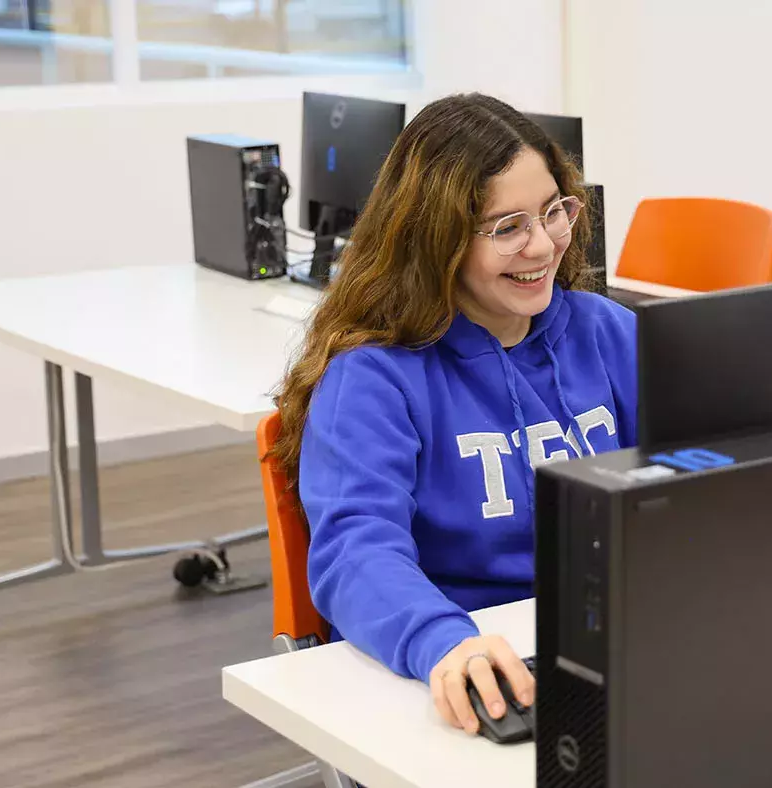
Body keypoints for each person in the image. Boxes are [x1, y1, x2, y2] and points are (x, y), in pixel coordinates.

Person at [270, 93, 637, 735]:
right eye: (507, 227)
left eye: (554, 212)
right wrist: (442, 640)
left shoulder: (605, 333)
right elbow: (356, 551)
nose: (543, 245)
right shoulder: (374, 377)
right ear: (435, 239)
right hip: (472, 667)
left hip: (617, 644)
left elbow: (702, 470)